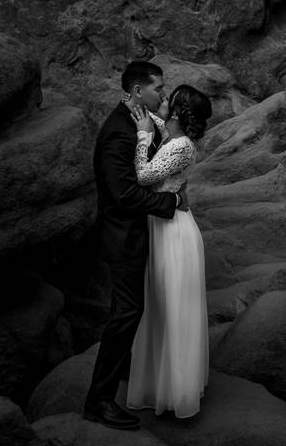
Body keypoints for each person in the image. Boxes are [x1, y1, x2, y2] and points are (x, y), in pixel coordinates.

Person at [83, 61, 189, 431]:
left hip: (134, 235)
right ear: (137, 91)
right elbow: (125, 194)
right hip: (122, 238)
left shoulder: (135, 121)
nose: (163, 93)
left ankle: (125, 370)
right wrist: (171, 204)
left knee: (129, 311)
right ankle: (98, 401)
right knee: (126, 314)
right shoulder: (118, 132)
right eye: (159, 87)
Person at [125, 84, 211, 418]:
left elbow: (144, 175)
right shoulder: (173, 134)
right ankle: (158, 383)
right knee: (159, 306)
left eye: (165, 100)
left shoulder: (183, 146)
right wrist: (148, 120)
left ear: (176, 112)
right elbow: (163, 129)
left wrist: (143, 137)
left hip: (174, 234)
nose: (160, 101)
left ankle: (177, 392)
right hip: (162, 228)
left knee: (173, 309)